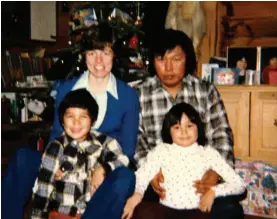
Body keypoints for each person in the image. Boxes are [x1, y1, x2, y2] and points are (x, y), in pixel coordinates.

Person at [2, 23, 139, 219]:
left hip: (100, 167)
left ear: (114, 56)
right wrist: (58, 164)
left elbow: (128, 149)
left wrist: (103, 168)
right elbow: (56, 134)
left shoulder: (128, 96)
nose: (99, 60)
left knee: (125, 178)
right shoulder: (67, 88)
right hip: (65, 158)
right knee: (23, 157)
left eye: (105, 53)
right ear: (84, 56)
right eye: (92, 53)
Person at [133, 29, 245, 214]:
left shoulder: (206, 91)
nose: (168, 68)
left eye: (176, 59)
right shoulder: (140, 94)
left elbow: (221, 135)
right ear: (153, 61)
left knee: (230, 210)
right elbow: (136, 138)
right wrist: (151, 171)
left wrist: (215, 173)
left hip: (202, 177)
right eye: (161, 59)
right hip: (160, 180)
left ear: (187, 59)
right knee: (142, 211)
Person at [122, 103, 246, 219]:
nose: (184, 132)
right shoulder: (161, 150)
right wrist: (137, 195)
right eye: (177, 127)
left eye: (189, 126)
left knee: (231, 210)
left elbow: (239, 184)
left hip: (198, 211)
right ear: (169, 131)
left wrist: (213, 192)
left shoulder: (209, 153)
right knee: (142, 211)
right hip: (166, 211)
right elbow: (142, 176)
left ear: (198, 127)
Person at [31, 89, 130, 219]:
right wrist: (37, 216)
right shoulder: (56, 147)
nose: (76, 123)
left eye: (83, 117)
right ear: (62, 121)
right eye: (70, 116)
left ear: (92, 121)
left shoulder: (105, 142)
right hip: (62, 213)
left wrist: (102, 169)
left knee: (126, 176)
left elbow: (124, 160)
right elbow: (44, 187)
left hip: (93, 212)